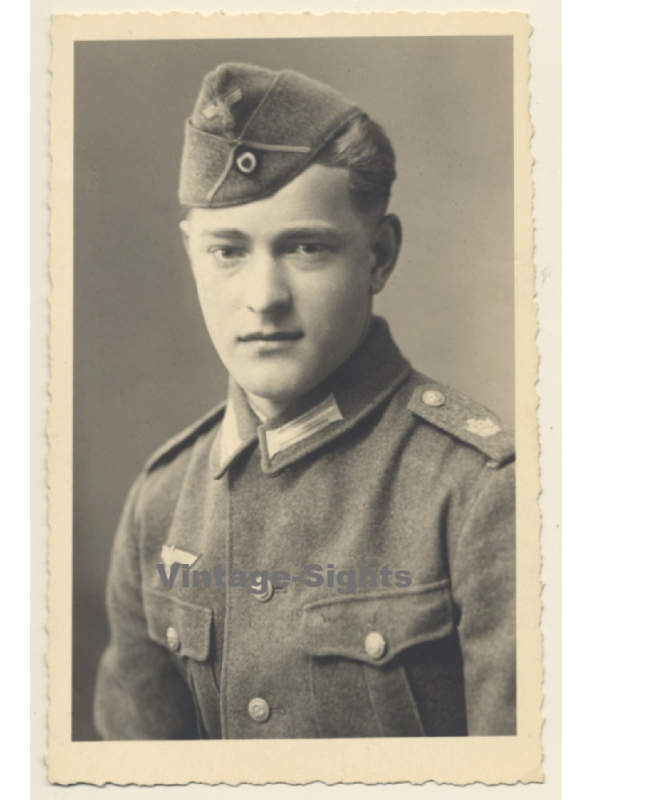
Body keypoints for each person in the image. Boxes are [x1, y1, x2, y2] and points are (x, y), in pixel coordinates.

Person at [93, 63, 516, 739]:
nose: (264, 296)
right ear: (192, 255)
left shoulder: (480, 496)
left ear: (378, 256)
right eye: (227, 251)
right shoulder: (162, 505)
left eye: (306, 247)